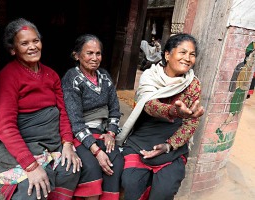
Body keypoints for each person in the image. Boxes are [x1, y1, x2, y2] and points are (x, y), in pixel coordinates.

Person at [0, 18, 81, 200]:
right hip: (25, 143)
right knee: (36, 186)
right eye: (24, 43)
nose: (32, 47)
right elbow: (5, 127)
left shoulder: (51, 74)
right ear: (13, 49)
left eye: (35, 41)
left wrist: (67, 143)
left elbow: (62, 112)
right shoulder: (8, 76)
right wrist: (31, 166)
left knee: (71, 169)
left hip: (51, 142)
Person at [116, 33, 205, 200]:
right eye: (182, 52)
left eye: (192, 54)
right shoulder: (150, 76)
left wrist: (169, 146)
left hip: (172, 143)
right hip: (142, 139)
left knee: (164, 191)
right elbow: (149, 106)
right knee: (131, 185)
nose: (187, 58)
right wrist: (173, 111)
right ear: (167, 54)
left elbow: (190, 123)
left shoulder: (193, 84)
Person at [61, 34, 124, 200]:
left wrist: (111, 133)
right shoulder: (72, 79)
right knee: (92, 167)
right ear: (77, 55)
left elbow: (115, 109)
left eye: (98, 53)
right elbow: (75, 121)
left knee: (115, 163)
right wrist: (96, 151)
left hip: (103, 131)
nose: (95, 58)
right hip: (81, 134)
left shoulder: (104, 76)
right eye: (89, 53)